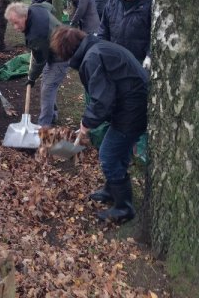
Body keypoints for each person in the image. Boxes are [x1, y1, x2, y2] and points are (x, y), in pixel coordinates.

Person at [50, 26, 148, 223]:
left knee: (108, 155)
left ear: (67, 51)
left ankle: (124, 208)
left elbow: (102, 99)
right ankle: (111, 190)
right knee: (115, 151)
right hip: (131, 104)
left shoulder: (93, 57)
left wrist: (86, 123)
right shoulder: (96, 48)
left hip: (133, 109)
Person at [4, 2, 69, 126]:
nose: (15, 27)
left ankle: (44, 126)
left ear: (24, 16)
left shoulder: (36, 34)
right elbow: (51, 7)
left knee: (47, 90)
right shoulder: (35, 7)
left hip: (62, 55)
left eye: (16, 23)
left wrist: (31, 78)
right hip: (52, 48)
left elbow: (39, 61)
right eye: (12, 24)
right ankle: (53, 115)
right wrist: (53, 25)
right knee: (47, 85)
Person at [98, 0, 153, 69]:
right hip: (115, 59)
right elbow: (103, 28)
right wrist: (101, 49)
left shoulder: (151, 1)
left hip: (138, 63)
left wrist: (150, 55)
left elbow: (155, 35)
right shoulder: (114, 0)